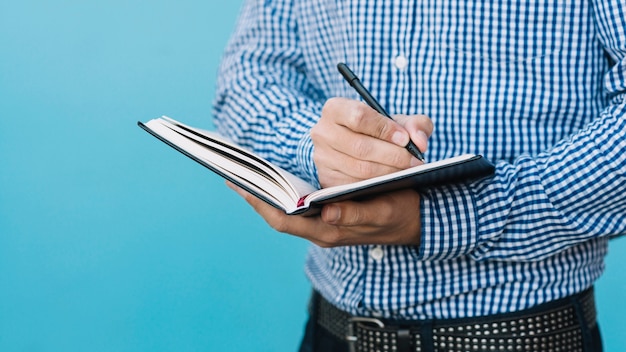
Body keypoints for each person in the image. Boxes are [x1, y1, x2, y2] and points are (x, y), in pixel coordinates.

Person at [213, 1, 626, 351]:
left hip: (517, 335)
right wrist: (323, 152)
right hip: (330, 329)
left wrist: (451, 214)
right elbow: (250, 75)